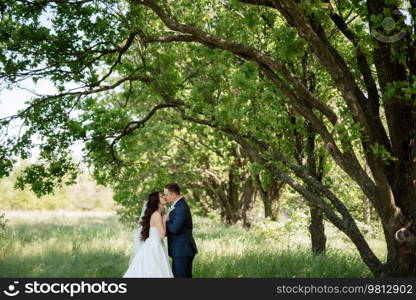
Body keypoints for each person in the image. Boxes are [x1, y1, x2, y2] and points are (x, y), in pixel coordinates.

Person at [123, 192, 173, 278]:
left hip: (154, 244)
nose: (164, 197)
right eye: (161, 196)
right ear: (157, 201)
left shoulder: (158, 213)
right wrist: (164, 220)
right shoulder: (156, 214)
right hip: (154, 247)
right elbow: (162, 235)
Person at [163, 183, 198, 278]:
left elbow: (174, 229)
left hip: (182, 250)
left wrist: (165, 220)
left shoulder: (181, 208)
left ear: (174, 195)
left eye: (166, 194)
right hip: (180, 250)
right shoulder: (178, 205)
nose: (164, 197)